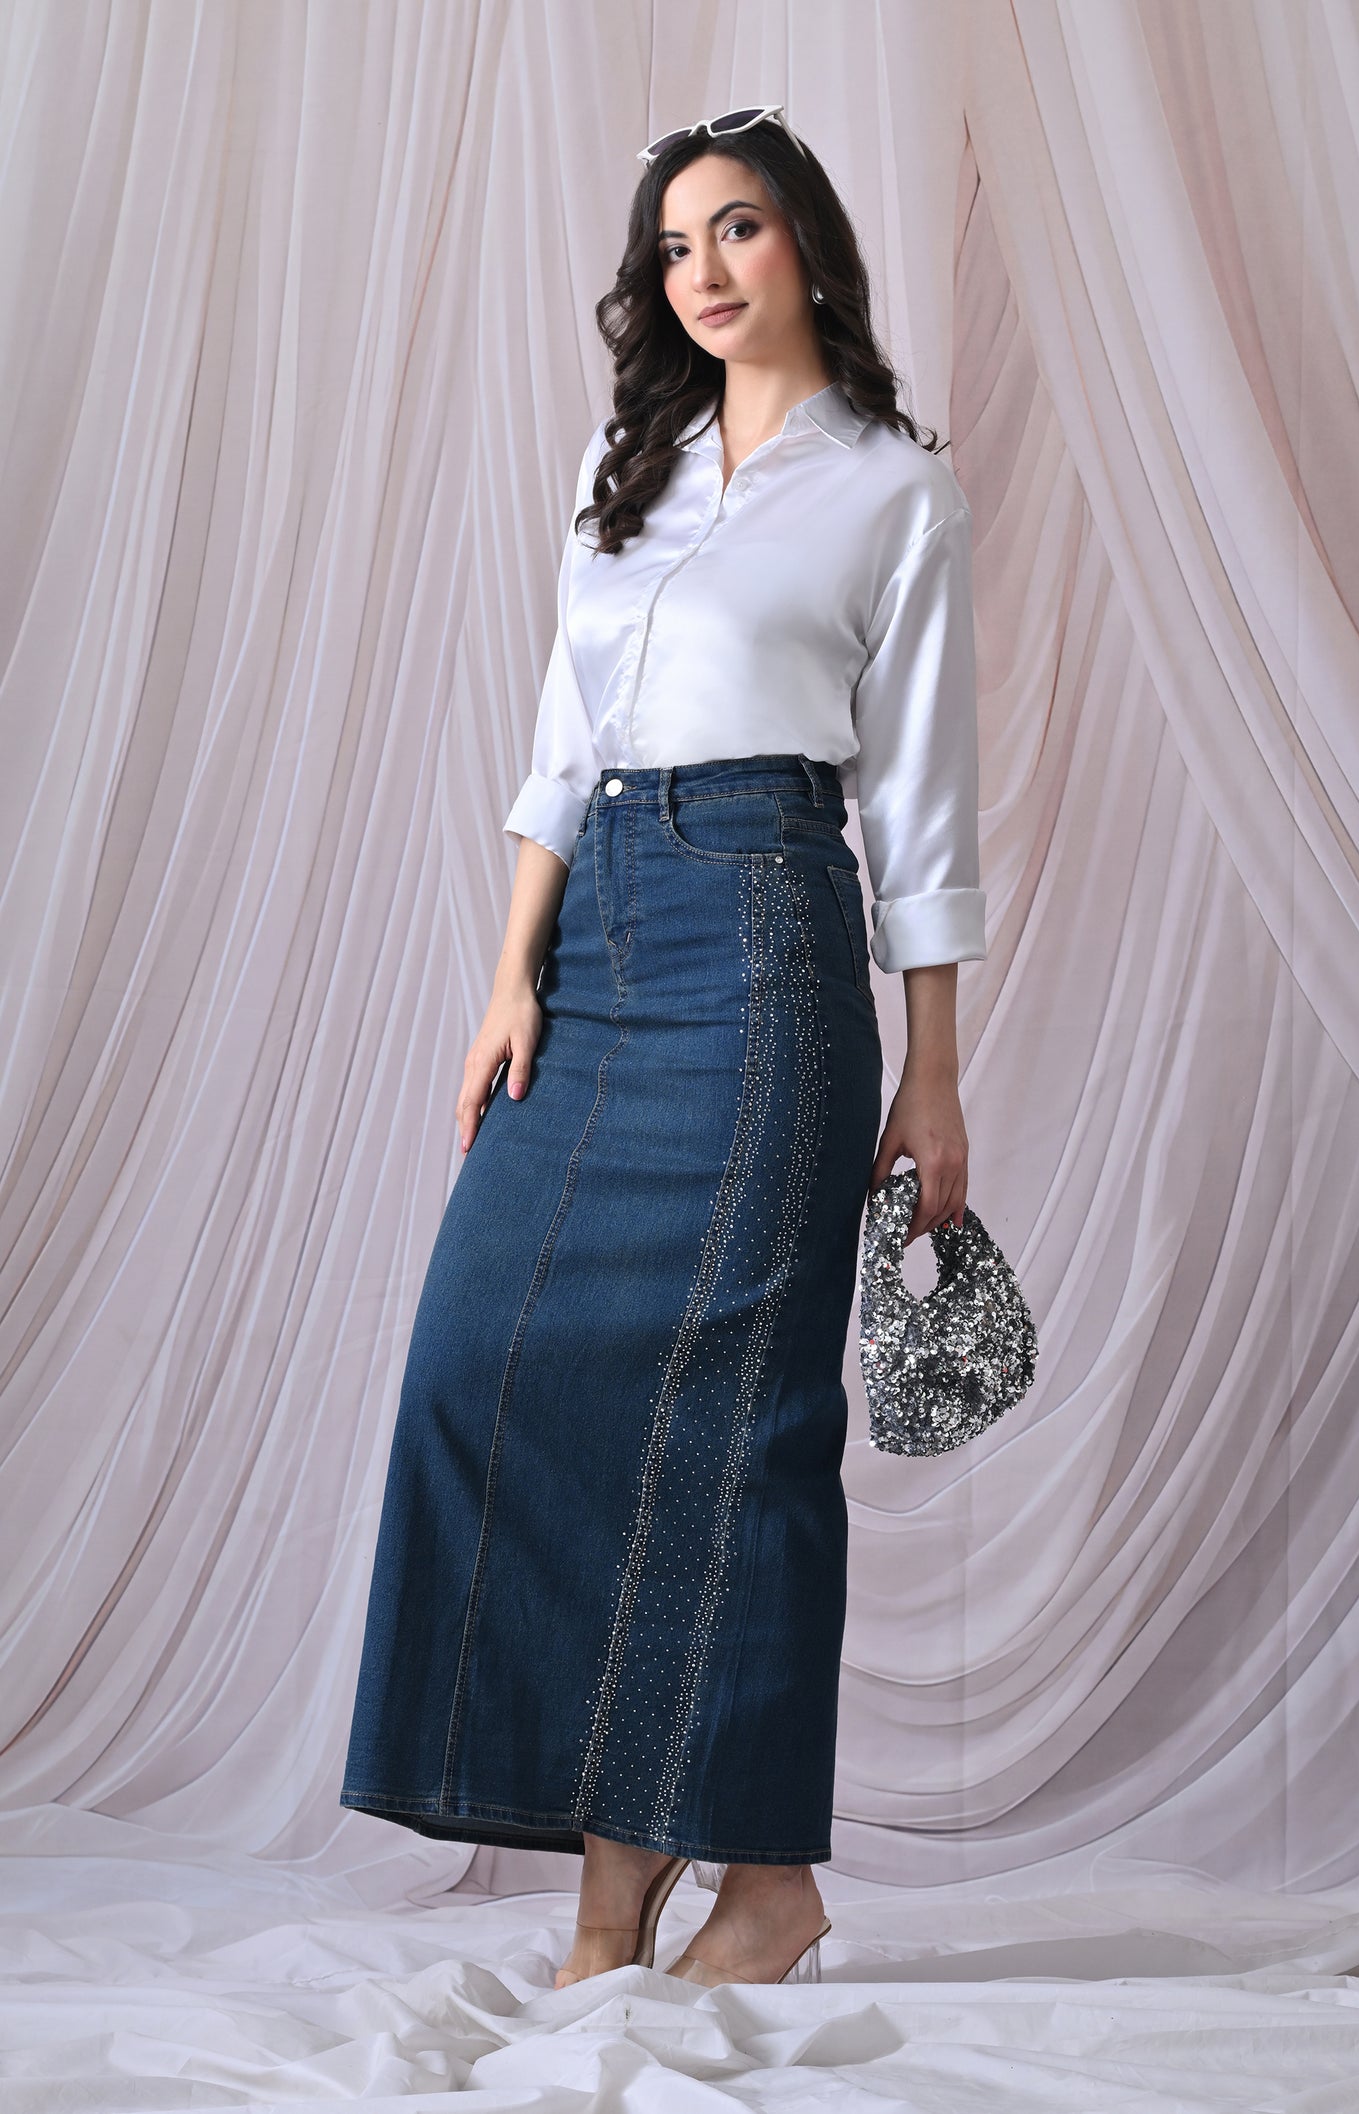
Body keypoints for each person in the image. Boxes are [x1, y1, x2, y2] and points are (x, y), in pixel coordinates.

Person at [340, 104, 987, 1991]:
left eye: (741, 231)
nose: (704, 271)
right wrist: (507, 970)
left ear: (809, 250)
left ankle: (744, 1882)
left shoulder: (894, 489)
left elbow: (924, 815)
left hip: (771, 936)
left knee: (733, 1434)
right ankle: (614, 1885)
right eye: (677, 245)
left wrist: (934, 1072)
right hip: (601, 932)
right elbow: (556, 742)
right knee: (488, 1361)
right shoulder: (624, 469)